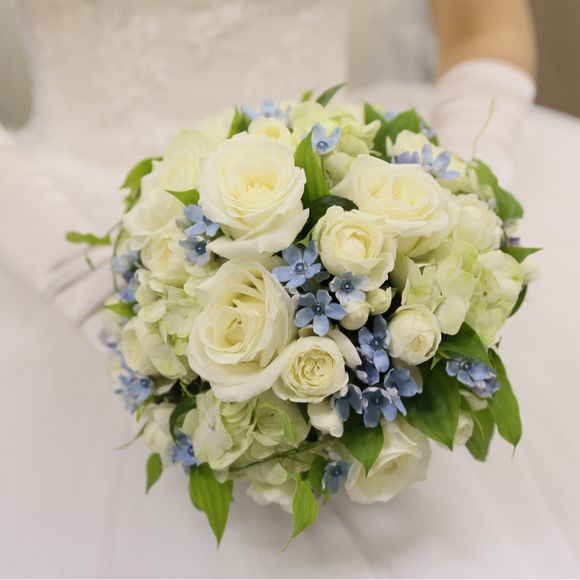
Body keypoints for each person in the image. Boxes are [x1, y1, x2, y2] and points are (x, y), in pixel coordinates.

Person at [9, 2, 577, 578]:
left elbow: (483, 25)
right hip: (92, 234)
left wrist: (452, 205)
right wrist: (81, 285)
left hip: (350, 180)